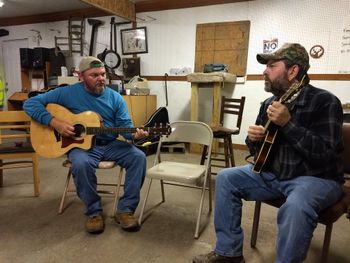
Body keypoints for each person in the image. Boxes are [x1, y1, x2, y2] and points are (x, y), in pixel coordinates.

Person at [193, 43, 344, 263]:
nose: (265, 71)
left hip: (315, 178)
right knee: (226, 178)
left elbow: (325, 154)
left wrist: (288, 124)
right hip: (275, 174)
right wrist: (254, 140)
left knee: (296, 206)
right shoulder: (269, 103)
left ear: (293, 71)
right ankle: (229, 253)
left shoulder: (325, 101)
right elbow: (259, 153)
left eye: (272, 66)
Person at [24, 56, 149, 234]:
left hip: (110, 144)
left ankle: (126, 210)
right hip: (81, 146)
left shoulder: (115, 98)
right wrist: (55, 123)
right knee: (81, 164)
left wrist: (135, 134)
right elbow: (30, 103)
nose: (101, 78)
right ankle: (94, 213)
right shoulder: (66, 93)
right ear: (80, 76)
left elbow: (127, 129)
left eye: (103, 74)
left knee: (138, 157)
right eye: (94, 75)